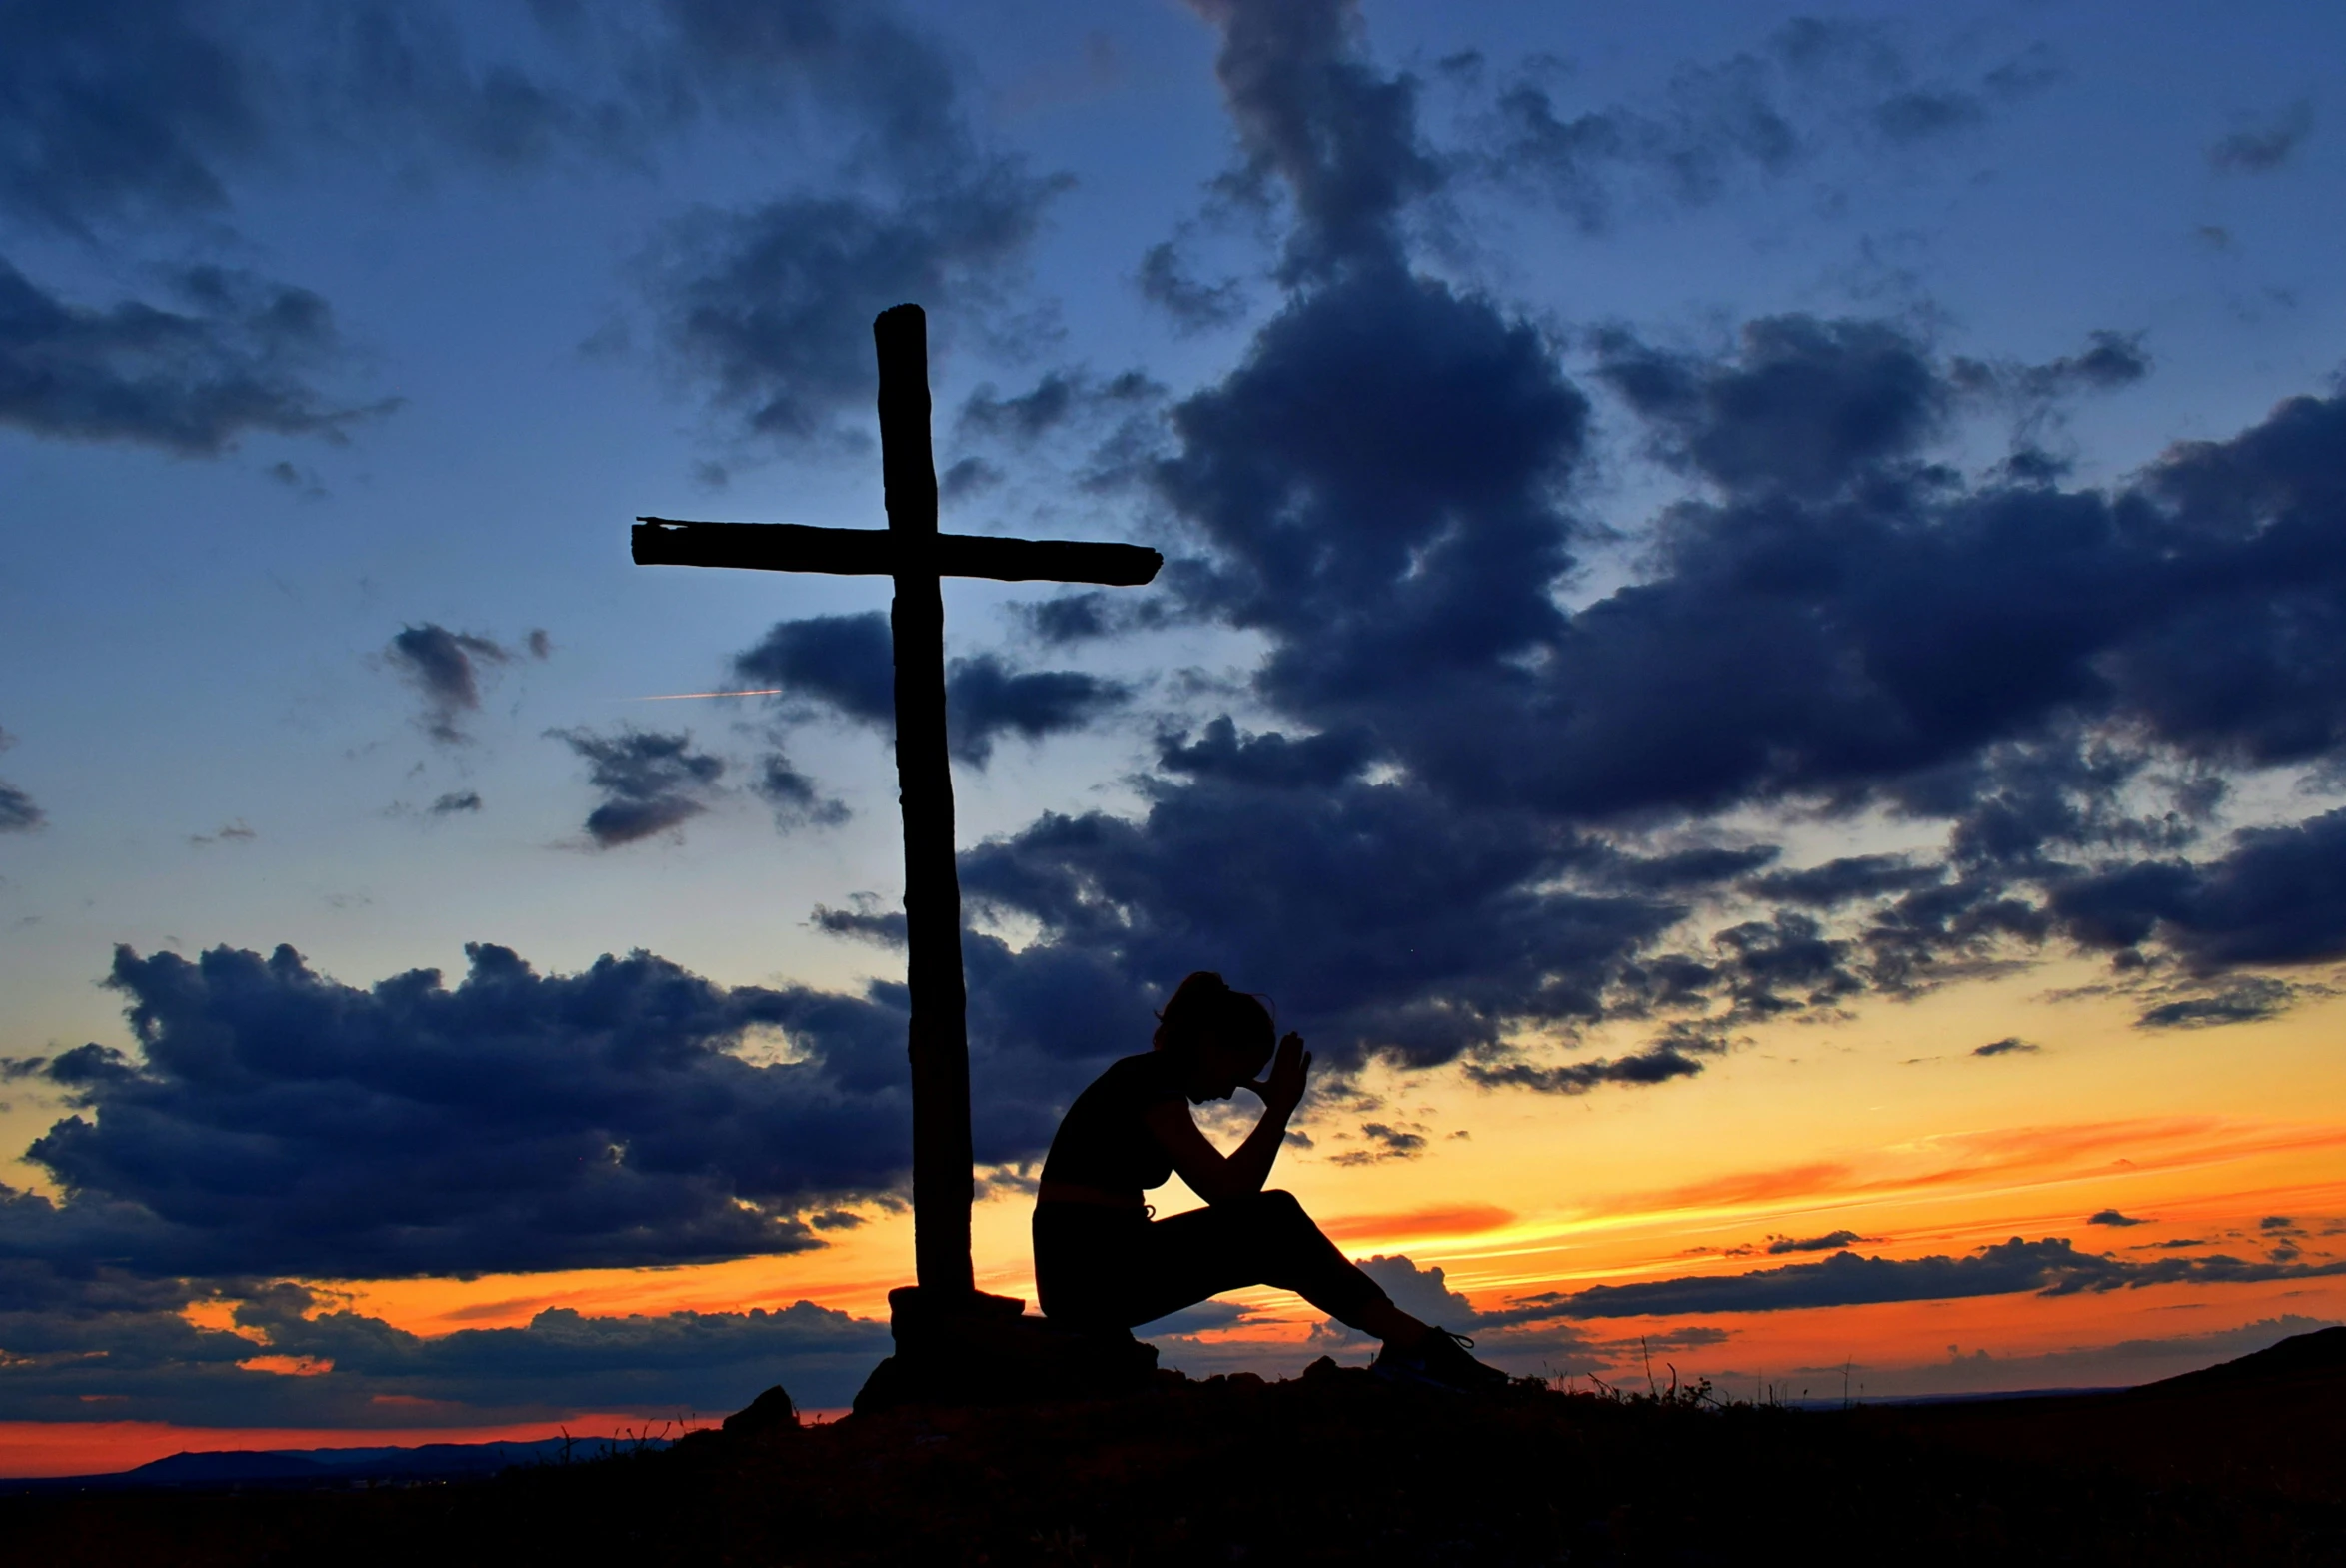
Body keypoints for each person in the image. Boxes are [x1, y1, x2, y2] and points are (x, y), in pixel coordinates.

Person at [1032, 970, 1509, 1392]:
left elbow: (1235, 1197)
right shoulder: (1148, 1081)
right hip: (1089, 1274)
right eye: (1243, 1072)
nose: (1235, 1089)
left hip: (1095, 1267)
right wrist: (1278, 1110)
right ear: (1211, 1046)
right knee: (1274, 1221)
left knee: (1275, 1229)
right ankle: (1416, 1346)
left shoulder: (1147, 1080)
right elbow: (1228, 1192)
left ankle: (1412, 1345)